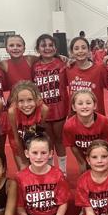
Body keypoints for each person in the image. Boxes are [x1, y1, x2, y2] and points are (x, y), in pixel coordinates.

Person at [15, 133, 70, 215]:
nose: (39, 157)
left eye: (43, 153)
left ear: (50, 154)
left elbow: (63, 203)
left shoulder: (57, 174)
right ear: (27, 153)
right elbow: (20, 208)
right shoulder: (20, 177)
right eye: (35, 153)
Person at [32, 34, 69, 175]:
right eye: (43, 45)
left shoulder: (62, 63)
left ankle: (63, 171)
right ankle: (50, 169)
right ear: (37, 49)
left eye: (50, 45)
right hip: (43, 111)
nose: (47, 48)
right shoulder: (35, 66)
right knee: (47, 141)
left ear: (55, 48)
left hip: (59, 108)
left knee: (59, 140)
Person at [63, 90, 108, 173]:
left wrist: (101, 159)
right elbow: (72, 145)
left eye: (88, 103)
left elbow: (106, 143)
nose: (84, 106)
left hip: (100, 155)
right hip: (83, 156)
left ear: (94, 105)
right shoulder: (69, 125)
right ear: (74, 107)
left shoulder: (104, 122)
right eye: (80, 104)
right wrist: (81, 162)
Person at [7, 81, 49, 170]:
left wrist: (34, 152)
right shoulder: (12, 112)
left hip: (33, 136)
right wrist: (24, 160)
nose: (26, 105)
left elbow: (39, 131)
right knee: (24, 169)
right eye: (21, 101)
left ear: (37, 100)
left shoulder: (43, 109)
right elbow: (16, 139)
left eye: (30, 100)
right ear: (16, 102)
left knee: (37, 167)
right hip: (18, 141)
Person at [66, 36, 107, 115]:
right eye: (76, 48)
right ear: (71, 52)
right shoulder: (68, 69)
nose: (80, 51)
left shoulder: (99, 69)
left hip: (95, 116)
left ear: (89, 50)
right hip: (75, 115)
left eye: (83, 48)